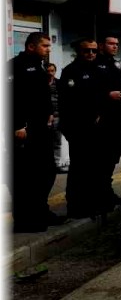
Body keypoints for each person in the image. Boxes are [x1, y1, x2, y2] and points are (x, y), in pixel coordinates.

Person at [8, 32, 60, 232]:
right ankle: (24, 220)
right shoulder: (15, 66)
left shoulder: (39, 66)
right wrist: (17, 125)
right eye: (45, 46)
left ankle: (40, 211)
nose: (48, 49)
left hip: (41, 129)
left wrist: (48, 113)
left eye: (49, 46)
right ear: (31, 46)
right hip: (25, 130)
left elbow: (39, 96)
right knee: (24, 176)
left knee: (45, 172)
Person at [60, 39, 110, 219]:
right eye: (87, 51)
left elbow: (100, 97)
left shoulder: (97, 70)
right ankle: (76, 205)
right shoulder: (71, 71)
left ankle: (93, 202)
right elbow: (69, 103)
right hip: (78, 127)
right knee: (79, 168)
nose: (91, 54)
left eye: (94, 51)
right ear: (79, 51)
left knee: (94, 167)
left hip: (96, 128)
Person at [95, 33, 121, 209]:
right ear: (101, 45)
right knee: (102, 157)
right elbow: (89, 91)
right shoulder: (95, 63)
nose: (115, 46)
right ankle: (101, 195)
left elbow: (119, 85)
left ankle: (107, 191)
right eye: (111, 43)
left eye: (117, 44)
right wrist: (108, 95)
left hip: (117, 113)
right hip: (103, 116)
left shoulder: (115, 64)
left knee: (112, 157)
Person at [48, 62, 69, 174]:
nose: (50, 73)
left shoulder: (59, 83)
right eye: (48, 71)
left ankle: (56, 165)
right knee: (44, 142)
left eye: (52, 71)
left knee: (57, 142)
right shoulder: (40, 84)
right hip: (44, 118)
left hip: (57, 116)